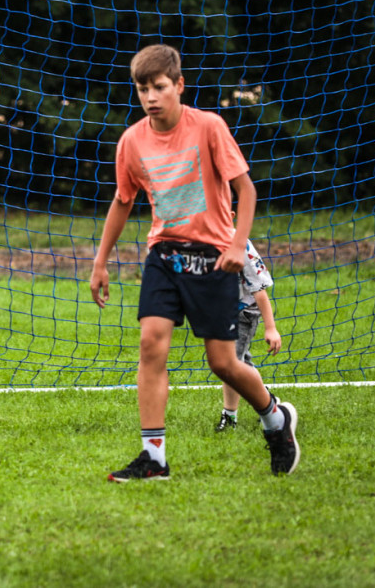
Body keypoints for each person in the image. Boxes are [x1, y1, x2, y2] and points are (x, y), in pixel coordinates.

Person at [89, 44, 300, 481]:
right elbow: (122, 201)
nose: (150, 96)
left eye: (159, 87)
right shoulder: (131, 141)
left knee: (222, 363)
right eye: (142, 88)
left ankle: (275, 419)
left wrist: (238, 246)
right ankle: (154, 458)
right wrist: (100, 262)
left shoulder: (208, 127)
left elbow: (247, 191)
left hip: (215, 259)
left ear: (179, 86)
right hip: (164, 254)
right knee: (151, 344)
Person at [215, 234, 282, 432]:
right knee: (242, 363)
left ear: (231, 216)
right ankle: (269, 402)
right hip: (223, 312)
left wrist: (271, 328)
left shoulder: (240, 246)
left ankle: (229, 417)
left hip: (243, 312)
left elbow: (259, 290)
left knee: (230, 365)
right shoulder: (202, 242)